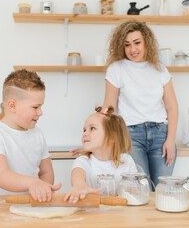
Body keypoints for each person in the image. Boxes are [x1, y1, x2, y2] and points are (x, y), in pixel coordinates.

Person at [103, 20, 178, 188]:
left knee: (162, 188)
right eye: (127, 45)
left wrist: (171, 140)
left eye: (137, 43)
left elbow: (172, 107)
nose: (132, 49)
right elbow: (109, 109)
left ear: (146, 42)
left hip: (161, 135)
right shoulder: (116, 69)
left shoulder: (160, 69)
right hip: (130, 136)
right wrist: (100, 137)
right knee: (140, 188)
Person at [0, 69, 61, 201]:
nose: (40, 112)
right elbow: (1, 175)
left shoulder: (38, 134)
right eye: (35, 107)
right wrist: (33, 183)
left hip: (30, 205)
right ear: (12, 106)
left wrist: (44, 189)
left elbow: (46, 172)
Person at [64, 106, 137, 203]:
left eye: (92, 128)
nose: (85, 133)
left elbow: (134, 192)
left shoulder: (127, 161)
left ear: (112, 137)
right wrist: (79, 185)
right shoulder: (83, 161)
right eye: (84, 130)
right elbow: (77, 175)